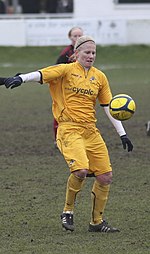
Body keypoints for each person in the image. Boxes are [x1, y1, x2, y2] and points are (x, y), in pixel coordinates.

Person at [0, 35, 133, 233]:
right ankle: (67, 211)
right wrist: (20, 78)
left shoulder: (100, 77)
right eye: (87, 52)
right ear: (76, 53)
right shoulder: (65, 70)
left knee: (105, 176)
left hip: (91, 131)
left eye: (93, 52)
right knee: (80, 170)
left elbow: (109, 107)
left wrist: (122, 134)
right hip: (69, 129)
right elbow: (41, 74)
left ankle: (96, 222)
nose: (91, 56)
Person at [53, 27, 83, 146]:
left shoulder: (85, 51)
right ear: (70, 37)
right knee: (61, 111)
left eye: (80, 36)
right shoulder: (66, 53)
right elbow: (56, 70)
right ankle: (57, 138)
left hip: (80, 87)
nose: (77, 38)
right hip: (65, 89)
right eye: (75, 36)